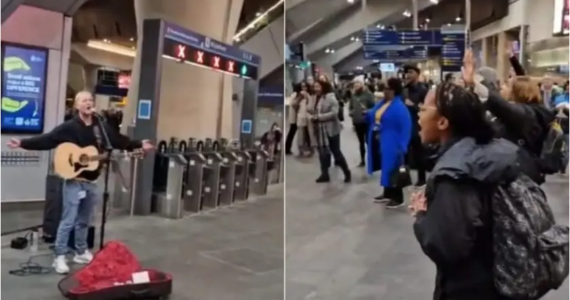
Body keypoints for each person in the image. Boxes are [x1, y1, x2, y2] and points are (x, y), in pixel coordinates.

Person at [6, 91, 154, 274]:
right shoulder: (69, 127)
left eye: (91, 100)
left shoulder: (101, 126)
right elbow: (48, 139)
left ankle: (80, 251)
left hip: (92, 180)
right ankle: (59, 256)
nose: (88, 103)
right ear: (77, 106)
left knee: (85, 219)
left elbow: (117, 141)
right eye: (84, 100)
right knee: (68, 220)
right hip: (74, 180)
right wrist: (22, 143)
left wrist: (138, 144)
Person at [411, 82, 518, 300]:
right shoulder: (488, 151)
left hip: (468, 288)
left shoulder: (454, 174)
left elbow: (447, 247)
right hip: (498, 276)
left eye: (423, 110)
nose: (418, 117)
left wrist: (421, 216)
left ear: (442, 122)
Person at [469, 49, 555, 185]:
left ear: (517, 92)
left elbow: (503, 107)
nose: (502, 87)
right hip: (516, 173)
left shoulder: (527, 115)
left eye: (507, 85)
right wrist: (513, 60)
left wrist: (477, 85)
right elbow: (523, 80)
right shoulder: (529, 111)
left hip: (521, 179)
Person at [367, 78, 412, 208]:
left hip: (394, 143)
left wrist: (403, 146)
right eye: (384, 88)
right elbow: (374, 114)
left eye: (387, 88)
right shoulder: (383, 103)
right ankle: (387, 193)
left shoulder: (399, 107)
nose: (384, 91)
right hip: (383, 140)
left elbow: (406, 127)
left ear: (394, 90)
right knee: (386, 167)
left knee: (394, 168)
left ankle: (398, 198)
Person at [308, 79, 351, 183]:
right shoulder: (313, 98)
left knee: (336, 151)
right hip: (318, 129)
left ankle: (346, 172)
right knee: (322, 153)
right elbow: (309, 109)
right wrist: (311, 115)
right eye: (315, 87)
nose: (316, 89)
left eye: (318, 86)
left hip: (331, 129)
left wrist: (319, 117)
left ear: (323, 87)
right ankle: (324, 174)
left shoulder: (330, 97)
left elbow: (334, 113)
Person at [403, 65, 429, 186]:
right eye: (406, 72)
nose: (408, 74)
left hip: (418, 126)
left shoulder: (423, 90)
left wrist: (412, 105)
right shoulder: (404, 90)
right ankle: (405, 179)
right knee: (404, 154)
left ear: (417, 74)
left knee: (420, 154)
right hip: (405, 126)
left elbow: (427, 109)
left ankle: (422, 178)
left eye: (410, 72)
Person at [348, 78, 375, 167]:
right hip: (357, 121)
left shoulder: (368, 95)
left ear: (362, 85)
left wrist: (367, 111)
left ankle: (372, 159)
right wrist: (351, 112)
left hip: (367, 121)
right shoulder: (353, 95)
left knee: (368, 141)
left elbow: (374, 107)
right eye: (355, 86)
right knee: (361, 142)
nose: (356, 87)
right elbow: (351, 106)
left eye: (358, 85)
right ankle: (362, 159)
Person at [554, 81, 570, 174]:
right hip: (558, 125)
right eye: (568, 86)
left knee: (568, 149)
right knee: (556, 146)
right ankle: (557, 162)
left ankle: (563, 165)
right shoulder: (559, 98)